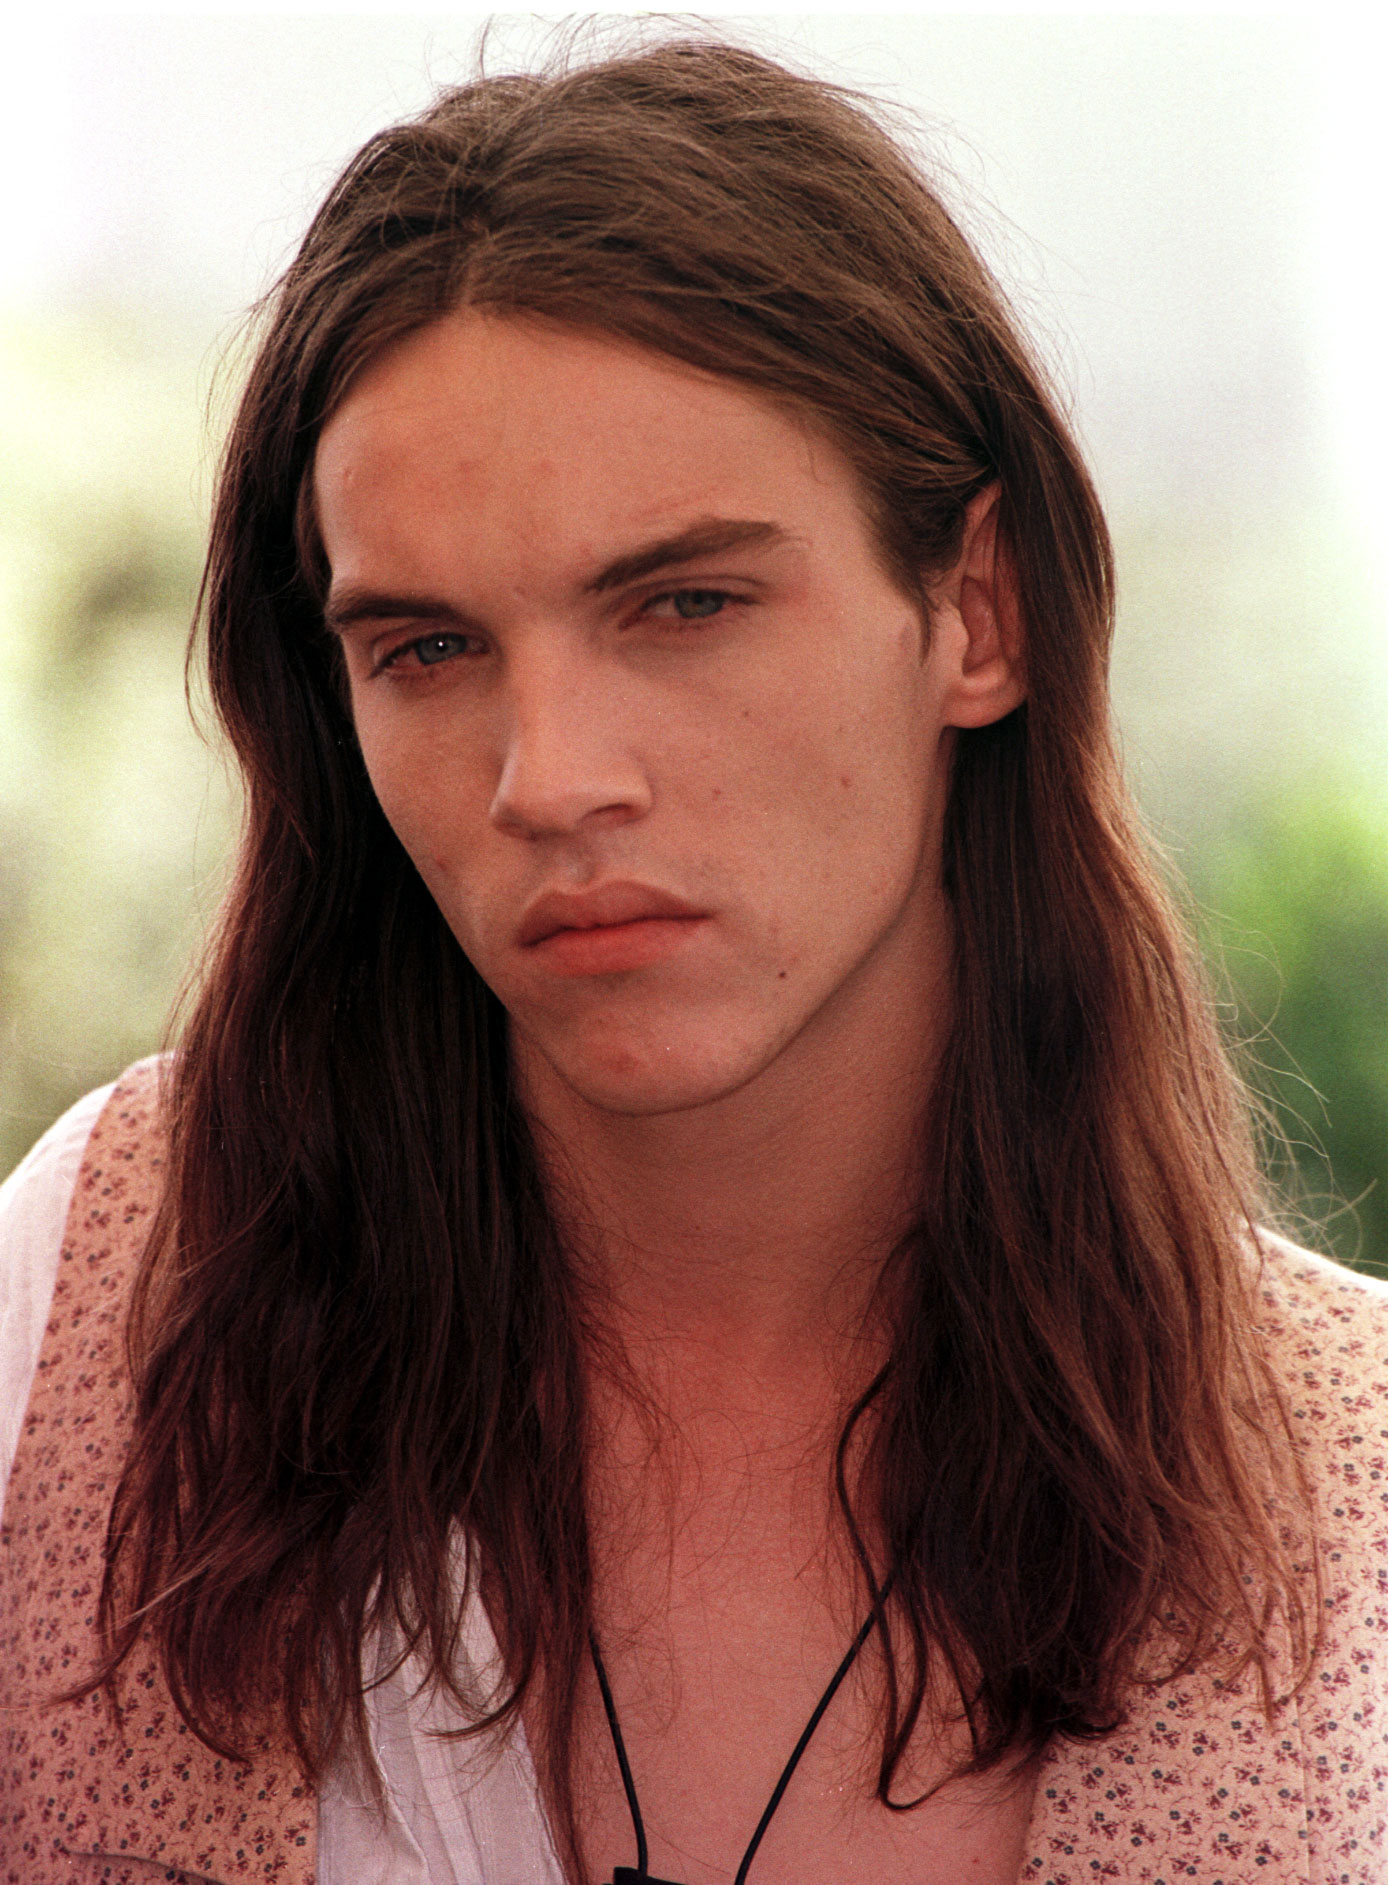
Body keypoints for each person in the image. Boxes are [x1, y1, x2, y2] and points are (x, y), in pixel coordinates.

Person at [2, 34, 1386, 1885]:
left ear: (978, 613)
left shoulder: (1349, 1499)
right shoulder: (102, 1293)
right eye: (424, 648)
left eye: (685, 604)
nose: (550, 778)